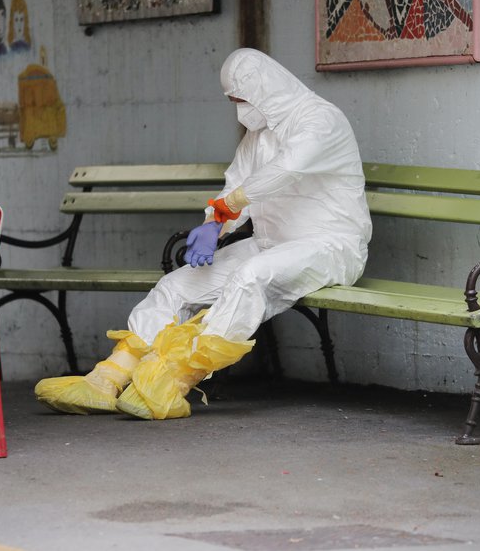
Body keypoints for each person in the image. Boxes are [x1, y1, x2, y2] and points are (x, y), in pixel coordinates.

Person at [35, 48, 372, 419]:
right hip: (271, 244)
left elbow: (283, 172)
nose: (239, 109)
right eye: (234, 102)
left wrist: (227, 209)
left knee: (250, 277)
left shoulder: (321, 120)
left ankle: (172, 381)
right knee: (176, 286)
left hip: (331, 246)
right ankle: (106, 379)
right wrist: (214, 222)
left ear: (263, 90)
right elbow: (236, 183)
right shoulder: (258, 137)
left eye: (241, 99)